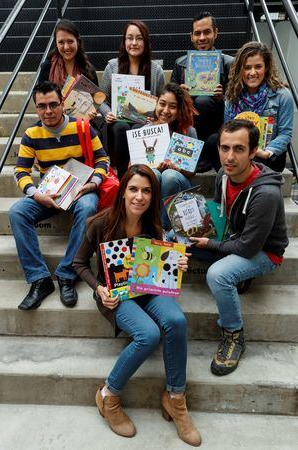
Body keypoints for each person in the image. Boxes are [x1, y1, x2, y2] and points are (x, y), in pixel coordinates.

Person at [73, 164, 201, 446]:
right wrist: (99, 288)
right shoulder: (99, 223)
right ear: (122, 192)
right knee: (149, 334)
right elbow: (78, 263)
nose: (139, 196)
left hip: (148, 288)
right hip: (115, 295)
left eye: (146, 191)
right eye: (133, 189)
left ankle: (175, 398)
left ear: (153, 196)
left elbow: (161, 267)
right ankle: (108, 395)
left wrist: (177, 264)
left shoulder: (154, 224)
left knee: (177, 322)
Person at [189, 119, 288, 376]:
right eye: (224, 148)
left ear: (253, 151)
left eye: (239, 149)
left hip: (264, 252)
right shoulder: (224, 174)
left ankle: (233, 334)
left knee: (218, 275)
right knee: (176, 237)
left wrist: (209, 243)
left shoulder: (266, 194)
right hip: (236, 238)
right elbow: (218, 213)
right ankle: (239, 276)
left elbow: (247, 247)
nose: (229, 157)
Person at [9, 81, 109, 310]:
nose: (48, 111)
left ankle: (67, 273)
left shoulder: (82, 127)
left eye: (53, 104)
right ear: (36, 108)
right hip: (48, 194)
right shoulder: (31, 134)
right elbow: (21, 170)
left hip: (80, 191)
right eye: (42, 106)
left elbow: (103, 159)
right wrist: (35, 194)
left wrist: (94, 183)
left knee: (87, 207)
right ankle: (40, 279)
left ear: (62, 104)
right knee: (16, 212)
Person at [99, 20, 165, 179]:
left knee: (137, 128)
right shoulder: (112, 66)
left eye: (139, 38)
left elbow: (163, 101)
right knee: (121, 127)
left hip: (144, 122)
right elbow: (101, 99)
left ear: (146, 42)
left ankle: (139, 175)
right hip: (117, 121)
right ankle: (123, 177)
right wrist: (107, 113)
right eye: (130, 38)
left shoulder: (156, 70)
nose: (134, 43)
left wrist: (155, 114)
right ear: (124, 41)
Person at [224, 41, 294, 172]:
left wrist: (267, 152)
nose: (252, 72)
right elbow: (227, 131)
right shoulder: (232, 96)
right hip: (241, 152)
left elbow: (285, 133)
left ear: (266, 67)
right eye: (247, 67)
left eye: (258, 67)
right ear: (240, 69)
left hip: (268, 155)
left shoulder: (282, 96)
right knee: (213, 142)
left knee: (254, 161)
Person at [171, 12, 233, 156]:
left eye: (207, 32)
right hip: (188, 117)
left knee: (203, 101)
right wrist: (179, 94)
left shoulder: (229, 63)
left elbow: (237, 102)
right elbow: (169, 98)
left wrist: (222, 98)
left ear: (215, 33)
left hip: (215, 119)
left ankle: (202, 155)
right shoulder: (180, 63)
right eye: (197, 33)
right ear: (191, 36)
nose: (202, 38)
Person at [38, 19, 106, 143]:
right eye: (61, 42)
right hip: (53, 122)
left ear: (78, 42)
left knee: (95, 135)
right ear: (56, 44)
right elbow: (38, 97)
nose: (66, 47)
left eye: (70, 41)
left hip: (82, 123)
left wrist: (92, 111)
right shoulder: (47, 67)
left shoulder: (88, 69)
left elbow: (96, 99)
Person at [151, 83, 197, 229]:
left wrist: (178, 168)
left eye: (172, 106)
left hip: (179, 184)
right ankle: (149, 224)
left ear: (179, 109)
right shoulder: (146, 129)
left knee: (169, 176)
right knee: (154, 173)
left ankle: (163, 229)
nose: (165, 110)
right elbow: (132, 167)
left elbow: (192, 171)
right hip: (155, 182)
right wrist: (153, 167)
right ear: (156, 103)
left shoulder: (188, 131)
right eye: (162, 104)